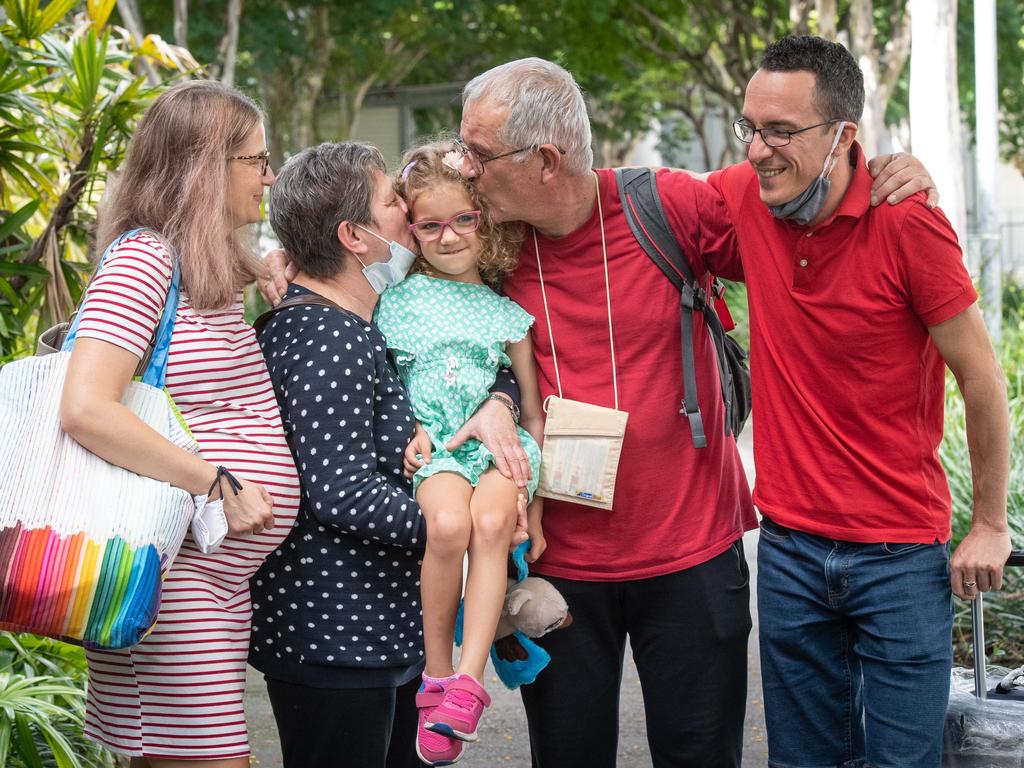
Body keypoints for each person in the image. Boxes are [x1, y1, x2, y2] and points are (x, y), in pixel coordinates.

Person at [260, 58, 935, 768]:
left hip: (692, 553)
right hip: (562, 565)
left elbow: (805, 227)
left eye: (478, 153)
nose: (464, 166)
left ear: (545, 159)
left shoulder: (667, 206)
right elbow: (387, 250)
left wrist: (884, 174)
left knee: (701, 755)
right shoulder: (483, 236)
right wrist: (283, 259)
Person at [705, 36, 1010, 768]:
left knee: (903, 763)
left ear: (845, 135)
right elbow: (619, 208)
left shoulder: (907, 222)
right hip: (788, 551)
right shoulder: (744, 196)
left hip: (899, 554)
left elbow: (981, 377)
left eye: (781, 130)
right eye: (750, 126)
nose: (757, 148)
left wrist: (991, 523)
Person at [248, 141, 527, 768]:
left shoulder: (368, 317)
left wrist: (501, 402)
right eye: (392, 202)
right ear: (354, 235)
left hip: (372, 631)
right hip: (338, 634)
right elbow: (343, 493)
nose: (408, 212)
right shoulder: (325, 333)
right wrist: (463, 527)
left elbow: (469, 364)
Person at [59, 81, 300, 766]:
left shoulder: (197, 267)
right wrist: (216, 482)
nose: (270, 175)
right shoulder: (143, 261)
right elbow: (86, 406)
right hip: (172, 572)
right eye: (256, 159)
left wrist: (266, 269)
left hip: (213, 579)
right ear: (205, 168)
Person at [375, 141, 545, 766]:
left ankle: (469, 682)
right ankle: (437, 674)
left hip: (501, 449)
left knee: (494, 522)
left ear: (484, 220)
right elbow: (382, 386)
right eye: (430, 225)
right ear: (413, 230)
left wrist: (540, 505)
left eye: (463, 220)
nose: (448, 237)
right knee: (447, 524)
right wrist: (404, 435)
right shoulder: (391, 304)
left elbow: (529, 409)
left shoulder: (508, 315)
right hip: (439, 445)